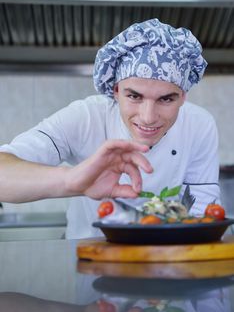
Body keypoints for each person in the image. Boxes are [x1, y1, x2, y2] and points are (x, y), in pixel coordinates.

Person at [0, 18, 220, 238]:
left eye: (166, 99)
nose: (148, 117)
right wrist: (73, 180)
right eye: (134, 96)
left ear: (183, 96)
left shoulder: (199, 125)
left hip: (167, 259)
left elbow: (203, 214)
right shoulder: (86, 117)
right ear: (115, 90)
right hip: (90, 260)